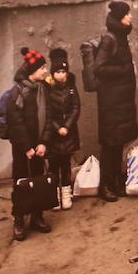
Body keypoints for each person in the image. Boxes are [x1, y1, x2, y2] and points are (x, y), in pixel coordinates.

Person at [5, 48, 53, 240]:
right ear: (32, 70)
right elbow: (15, 123)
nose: (45, 70)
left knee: (38, 182)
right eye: (42, 67)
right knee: (21, 184)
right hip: (22, 149)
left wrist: (43, 143)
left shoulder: (43, 89)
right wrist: (26, 147)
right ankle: (18, 219)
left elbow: (48, 117)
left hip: (39, 148)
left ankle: (37, 216)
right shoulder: (17, 92)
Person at [94, 1, 138, 201]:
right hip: (111, 104)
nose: (130, 17)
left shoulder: (121, 37)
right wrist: (125, 71)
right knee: (109, 146)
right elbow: (99, 68)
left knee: (118, 144)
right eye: (128, 14)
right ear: (121, 17)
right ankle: (105, 186)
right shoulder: (109, 39)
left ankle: (115, 182)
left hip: (121, 101)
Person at [44, 48, 81, 210]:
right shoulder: (46, 88)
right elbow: (46, 112)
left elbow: (76, 107)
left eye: (63, 71)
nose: (61, 74)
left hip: (69, 133)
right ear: (52, 73)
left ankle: (66, 194)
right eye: (57, 71)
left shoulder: (71, 87)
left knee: (66, 165)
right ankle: (53, 197)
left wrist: (67, 126)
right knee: (53, 166)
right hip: (53, 134)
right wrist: (57, 128)